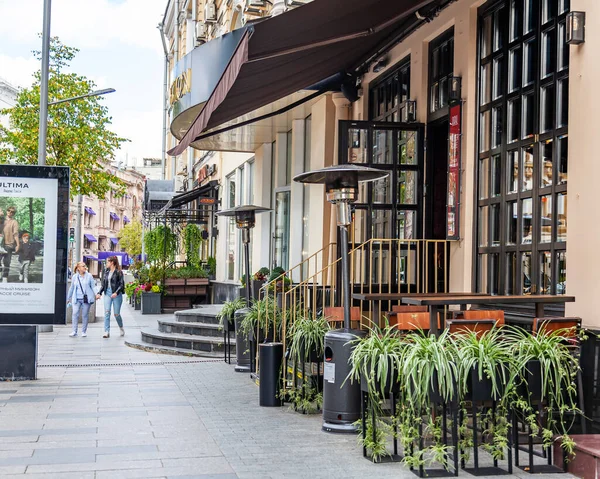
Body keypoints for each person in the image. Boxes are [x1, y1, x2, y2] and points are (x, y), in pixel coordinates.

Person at [96, 255, 125, 338]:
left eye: (107, 262)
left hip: (116, 295)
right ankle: (106, 331)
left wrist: (116, 292)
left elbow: (121, 285)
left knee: (116, 314)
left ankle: (121, 327)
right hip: (107, 294)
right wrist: (99, 293)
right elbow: (103, 284)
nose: (106, 263)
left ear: (112, 262)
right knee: (107, 312)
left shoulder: (119, 272)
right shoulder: (106, 271)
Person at [67, 261, 96, 337]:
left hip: (86, 299)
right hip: (76, 299)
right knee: (75, 314)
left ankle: (83, 331)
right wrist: (68, 298)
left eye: (85, 266)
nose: (84, 267)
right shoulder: (75, 277)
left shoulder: (89, 276)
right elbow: (72, 288)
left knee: (85, 315)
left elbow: (93, 286)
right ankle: (74, 331)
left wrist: (97, 294)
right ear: (79, 268)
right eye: (83, 266)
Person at [1, 206, 19, 283]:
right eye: (9, 210)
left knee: (7, 262)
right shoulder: (1, 219)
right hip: (0, 244)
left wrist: (18, 244)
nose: (10, 212)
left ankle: (5, 277)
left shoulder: (14, 222)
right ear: (6, 210)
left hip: (9, 244)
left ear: (14, 214)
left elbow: (15, 234)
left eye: (12, 212)